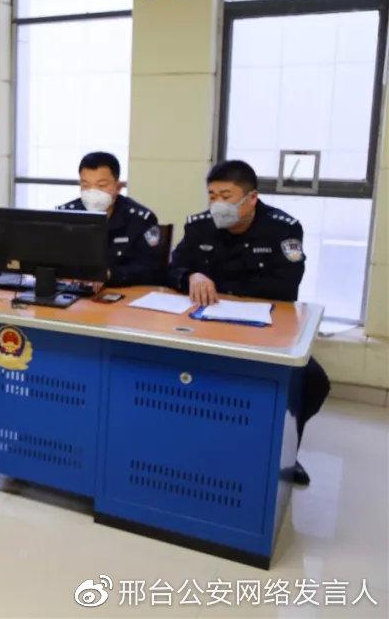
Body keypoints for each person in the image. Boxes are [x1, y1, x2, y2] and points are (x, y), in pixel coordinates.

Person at [169, 159, 330, 486]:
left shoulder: (282, 229)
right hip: (205, 323)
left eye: (226, 196)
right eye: (212, 195)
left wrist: (225, 291)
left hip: (262, 325)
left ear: (251, 198)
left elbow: (286, 285)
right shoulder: (199, 226)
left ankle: (287, 452)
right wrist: (192, 275)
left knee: (314, 382)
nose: (218, 204)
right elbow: (173, 268)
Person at [57, 151, 167, 287]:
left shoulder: (140, 219)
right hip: (72, 292)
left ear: (117, 186)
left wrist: (110, 274)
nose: (93, 192)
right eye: (85, 185)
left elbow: (152, 269)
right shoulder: (65, 215)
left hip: (121, 292)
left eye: (102, 185)